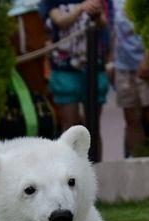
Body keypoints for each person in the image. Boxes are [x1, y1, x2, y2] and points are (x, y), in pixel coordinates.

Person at [44, 0, 110, 153]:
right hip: (64, 68)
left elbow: (102, 25)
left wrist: (97, 14)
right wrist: (81, 8)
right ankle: (72, 171)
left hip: (93, 65)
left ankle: (96, 169)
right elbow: (60, 21)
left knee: (92, 126)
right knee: (71, 128)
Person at [107, 0, 149, 157]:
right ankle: (139, 158)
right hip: (123, 65)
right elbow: (114, 29)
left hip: (145, 62)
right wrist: (111, 62)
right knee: (131, 117)